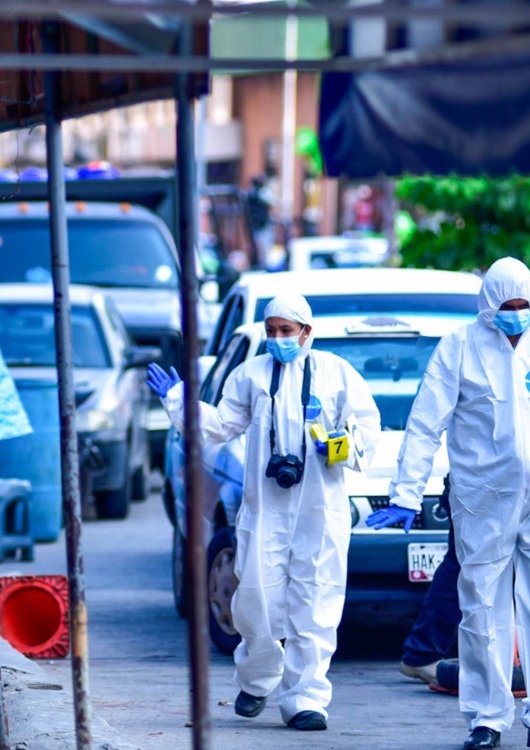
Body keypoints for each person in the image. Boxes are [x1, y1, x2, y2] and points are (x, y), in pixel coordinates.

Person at [368, 258, 530, 750]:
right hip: (483, 502)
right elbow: (425, 422)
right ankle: (486, 719)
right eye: (508, 307)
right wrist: (407, 493)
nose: (517, 315)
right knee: (481, 611)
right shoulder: (459, 348)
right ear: (488, 306)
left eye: (525, 306)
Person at [147, 293, 381, 732]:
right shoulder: (250, 375)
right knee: (254, 601)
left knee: (316, 607)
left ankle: (305, 700)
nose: (277, 339)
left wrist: (338, 446)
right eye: (271, 331)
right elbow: (220, 425)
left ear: (307, 332)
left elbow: (368, 433)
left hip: (319, 512)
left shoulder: (337, 374)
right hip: (265, 510)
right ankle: (256, 681)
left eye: (286, 331)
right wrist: (179, 401)